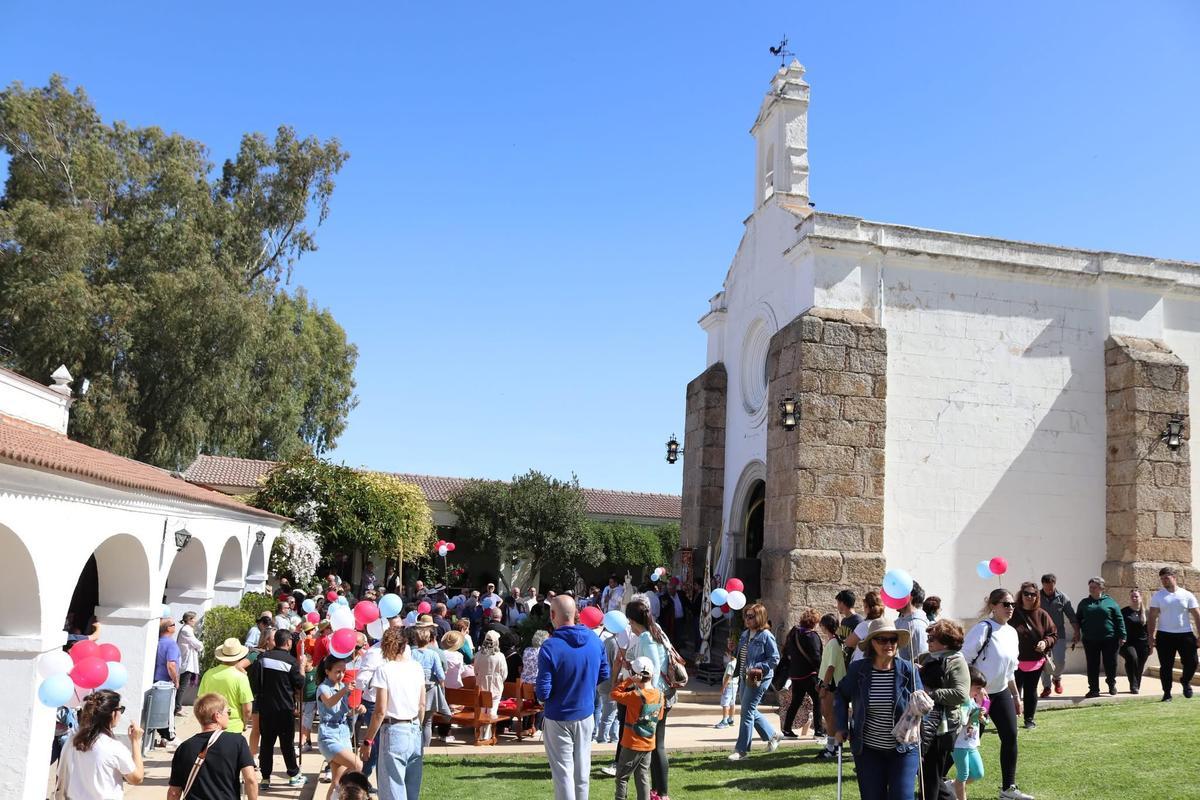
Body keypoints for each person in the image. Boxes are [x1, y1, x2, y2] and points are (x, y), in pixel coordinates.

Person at [833, 618, 923, 800]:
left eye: (892, 639)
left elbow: (922, 706)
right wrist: (841, 726)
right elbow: (841, 694)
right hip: (868, 750)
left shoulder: (908, 670)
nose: (888, 644)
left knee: (902, 797)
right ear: (871, 643)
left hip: (904, 748)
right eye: (882, 639)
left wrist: (924, 739)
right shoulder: (858, 670)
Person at [536, 594, 609, 800]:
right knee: (582, 771)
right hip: (585, 714)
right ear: (576, 613)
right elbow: (604, 674)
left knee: (564, 774)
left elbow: (543, 692)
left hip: (559, 716)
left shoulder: (550, 646)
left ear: (553, 615)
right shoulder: (595, 640)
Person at [963, 588, 1031, 800]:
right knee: (967, 740)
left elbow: (1010, 670)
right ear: (993, 606)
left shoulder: (1011, 632)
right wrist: (976, 688)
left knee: (1010, 736)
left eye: (1013, 605)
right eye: (1005, 604)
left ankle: (1008, 788)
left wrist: (1016, 696)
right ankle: (939, 779)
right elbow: (963, 661)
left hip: (1000, 693)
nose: (1010, 608)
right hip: (978, 697)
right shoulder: (983, 629)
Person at [361, 627, 427, 800]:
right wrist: (417, 726)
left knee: (393, 790)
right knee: (412, 790)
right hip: (414, 729)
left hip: (394, 731)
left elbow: (379, 711)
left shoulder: (384, 670)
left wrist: (368, 740)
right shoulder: (417, 667)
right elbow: (422, 705)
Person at [166, 692, 259, 800]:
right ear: (217, 716)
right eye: (228, 712)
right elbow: (250, 780)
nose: (229, 716)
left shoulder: (184, 748)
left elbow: (174, 792)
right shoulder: (237, 742)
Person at [54, 689, 144, 799]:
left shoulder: (72, 740)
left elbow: (61, 775)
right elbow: (136, 778)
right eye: (120, 709)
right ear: (113, 714)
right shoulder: (114, 747)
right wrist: (135, 741)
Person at [919, 619, 970, 800]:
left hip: (942, 728)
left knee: (930, 777)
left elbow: (960, 694)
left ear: (946, 642)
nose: (928, 641)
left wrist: (931, 694)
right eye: (928, 638)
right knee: (930, 777)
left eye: (932, 638)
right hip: (924, 723)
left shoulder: (956, 661)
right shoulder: (926, 658)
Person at [251, 630, 306, 788]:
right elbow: (300, 684)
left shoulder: (262, 658)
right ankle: (293, 775)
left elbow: (254, 682)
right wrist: (302, 666)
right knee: (287, 744)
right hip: (285, 710)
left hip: (266, 709)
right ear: (288, 643)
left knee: (266, 744)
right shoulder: (291, 661)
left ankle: (265, 778)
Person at [728, 602, 781, 761]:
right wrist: (733, 649)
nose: (747, 619)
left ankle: (741, 751)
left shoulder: (766, 635)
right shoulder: (745, 634)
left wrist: (759, 666)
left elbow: (774, 658)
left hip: (759, 677)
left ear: (759, 617)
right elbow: (742, 656)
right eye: (746, 616)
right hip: (744, 676)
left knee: (747, 711)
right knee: (748, 709)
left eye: (751, 616)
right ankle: (773, 735)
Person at [610, 656, 664, 800]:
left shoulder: (635, 695)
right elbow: (659, 717)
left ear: (636, 675)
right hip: (648, 743)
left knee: (622, 777)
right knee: (643, 776)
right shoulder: (660, 695)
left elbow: (614, 694)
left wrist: (629, 680)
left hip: (632, 743)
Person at [1147, 565, 1200, 701]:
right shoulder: (1158, 596)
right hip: (1165, 635)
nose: (1164, 581)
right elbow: (1152, 617)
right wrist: (1151, 636)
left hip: (1185, 634)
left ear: (1174, 578)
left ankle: (1185, 681)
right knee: (1166, 666)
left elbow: (1197, 615)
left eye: (1166, 578)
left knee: (1193, 662)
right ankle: (1167, 694)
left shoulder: (1187, 595)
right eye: (1162, 579)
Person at [317, 655, 366, 800]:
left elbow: (344, 712)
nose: (341, 675)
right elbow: (329, 703)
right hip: (328, 735)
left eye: (344, 671)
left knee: (336, 782)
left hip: (343, 733)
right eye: (337, 671)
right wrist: (344, 690)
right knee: (357, 764)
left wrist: (356, 710)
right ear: (327, 671)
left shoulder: (340, 687)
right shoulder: (323, 688)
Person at [1009, 581, 1057, 729]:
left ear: (1037, 596)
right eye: (1026, 593)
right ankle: (1010, 720)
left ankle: (1029, 719)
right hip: (1014, 660)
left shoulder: (1042, 614)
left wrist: (1045, 642)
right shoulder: (1012, 612)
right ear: (1021, 595)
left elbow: (1053, 634)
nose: (1029, 597)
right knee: (1014, 691)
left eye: (1033, 594)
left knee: (1031, 690)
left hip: (1035, 660)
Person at [1076, 576, 1126, 698]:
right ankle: (1094, 689)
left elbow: (1119, 619)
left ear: (1101, 588)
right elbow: (1078, 619)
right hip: (1090, 639)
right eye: (1090, 587)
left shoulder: (1110, 602)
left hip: (1110, 639)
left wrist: (1122, 635)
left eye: (1094, 587)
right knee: (1092, 664)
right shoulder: (1084, 603)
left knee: (1110, 663)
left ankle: (1111, 683)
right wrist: (1077, 633)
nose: (1091, 589)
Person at [780, 607, 823, 739]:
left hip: (796, 674)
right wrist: (821, 671)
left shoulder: (794, 634)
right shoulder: (811, 636)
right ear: (814, 622)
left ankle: (787, 729)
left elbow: (786, 652)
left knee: (796, 702)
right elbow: (816, 657)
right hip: (810, 674)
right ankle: (819, 731)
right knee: (817, 701)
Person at [198, 639, 255, 735]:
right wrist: (245, 723)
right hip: (234, 726)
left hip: (211, 726)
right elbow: (247, 708)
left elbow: (201, 701)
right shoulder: (241, 677)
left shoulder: (208, 674)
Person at [1037, 573, 1080, 698]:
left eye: (1051, 588)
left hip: (1058, 634)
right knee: (1045, 662)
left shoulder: (1062, 597)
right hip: (1041, 635)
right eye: (1046, 588)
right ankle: (1046, 687)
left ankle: (1056, 678)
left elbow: (1071, 615)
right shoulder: (1036, 597)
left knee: (1060, 661)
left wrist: (1077, 632)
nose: (1049, 591)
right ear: (1042, 585)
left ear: (1055, 584)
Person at [951, 668, 988, 800]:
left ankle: (952, 786)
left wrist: (982, 715)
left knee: (978, 773)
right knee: (963, 775)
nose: (981, 691)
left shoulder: (973, 701)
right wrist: (974, 714)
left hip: (971, 744)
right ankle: (959, 793)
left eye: (981, 688)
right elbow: (962, 720)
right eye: (978, 688)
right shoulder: (962, 701)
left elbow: (983, 721)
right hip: (959, 745)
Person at [411, 624, 449, 746]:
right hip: (430, 690)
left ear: (416, 639)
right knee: (427, 722)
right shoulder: (434, 654)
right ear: (429, 640)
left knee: (414, 720)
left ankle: (414, 746)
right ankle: (425, 749)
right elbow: (441, 675)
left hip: (414, 689)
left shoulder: (411, 653)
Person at [816, 613, 846, 760]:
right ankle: (832, 746)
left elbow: (831, 667)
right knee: (828, 715)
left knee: (829, 716)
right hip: (828, 683)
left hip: (832, 685)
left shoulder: (834, 643)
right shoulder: (833, 642)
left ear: (825, 626)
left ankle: (831, 748)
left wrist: (824, 686)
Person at [476, 629, 509, 741]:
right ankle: (487, 734)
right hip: (496, 685)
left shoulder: (479, 655)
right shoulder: (500, 656)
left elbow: (476, 670)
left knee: (482, 708)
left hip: (481, 683)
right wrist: (499, 680)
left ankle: (481, 733)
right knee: (492, 709)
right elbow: (504, 673)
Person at [154, 618, 181, 744]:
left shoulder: (157, 642)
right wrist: (176, 680)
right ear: (169, 628)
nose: (175, 626)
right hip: (166, 681)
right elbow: (171, 665)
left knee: (159, 710)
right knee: (168, 710)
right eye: (173, 624)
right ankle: (170, 736)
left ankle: (163, 737)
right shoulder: (171, 644)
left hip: (156, 679)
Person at [1120, 588, 1150, 694]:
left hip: (1143, 643)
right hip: (1128, 643)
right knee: (1132, 658)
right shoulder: (1124, 612)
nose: (1134, 598)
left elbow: (1150, 629)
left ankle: (1136, 686)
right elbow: (1119, 626)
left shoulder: (1147, 612)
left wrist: (1151, 644)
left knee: (1139, 666)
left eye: (1136, 596)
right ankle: (1133, 685)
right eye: (1132, 596)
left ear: (1141, 598)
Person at [844, 591, 885, 662]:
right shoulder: (885, 624)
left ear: (867, 607)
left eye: (864, 606)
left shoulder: (865, 625)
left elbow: (849, 642)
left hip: (864, 663)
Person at [176, 611, 204, 714]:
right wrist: (200, 645)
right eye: (194, 619)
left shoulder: (187, 629)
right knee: (182, 686)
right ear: (189, 620)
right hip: (186, 663)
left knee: (183, 686)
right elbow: (197, 644)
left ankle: (178, 707)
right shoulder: (186, 630)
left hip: (187, 662)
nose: (195, 621)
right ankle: (177, 708)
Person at [896, 581, 930, 663]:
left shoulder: (917, 625)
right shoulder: (899, 620)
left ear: (909, 597)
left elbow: (919, 661)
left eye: (898, 595)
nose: (894, 598)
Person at [714, 639, 739, 730]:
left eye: (727, 655)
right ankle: (731, 719)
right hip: (735, 685)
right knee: (732, 703)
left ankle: (724, 721)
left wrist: (723, 687)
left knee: (725, 703)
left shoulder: (731, 664)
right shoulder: (737, 663)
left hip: (728, 685)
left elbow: (728, 676)